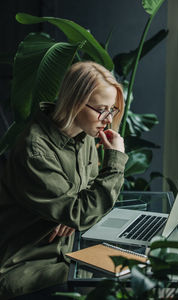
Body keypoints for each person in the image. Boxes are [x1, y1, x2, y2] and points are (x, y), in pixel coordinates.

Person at [0, 61, 128, 299]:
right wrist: (115, 160)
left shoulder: (84, 134)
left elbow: (82, 202)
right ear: (74, 103)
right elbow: (80, 211)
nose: (108, 119)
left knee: (134, 269)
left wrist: (71, 214)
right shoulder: (35, 151)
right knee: (119, 286)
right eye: (101, 109)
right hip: (27, 268)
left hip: (69, 254)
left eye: (112, 110)